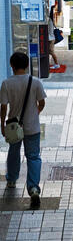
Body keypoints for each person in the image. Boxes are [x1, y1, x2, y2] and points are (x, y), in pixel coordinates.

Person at [0, 52, 47, 209]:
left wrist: (2, 125)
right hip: (32, 127)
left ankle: (12, 179)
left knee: (14, 152)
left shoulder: (7, 84)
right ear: (27, 65)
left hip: (14, 127)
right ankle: (33, 188)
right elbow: (41, 103)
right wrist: (35, 114)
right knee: (33, 156)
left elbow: (4, 106)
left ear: (11, 65)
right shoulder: (35, 82)